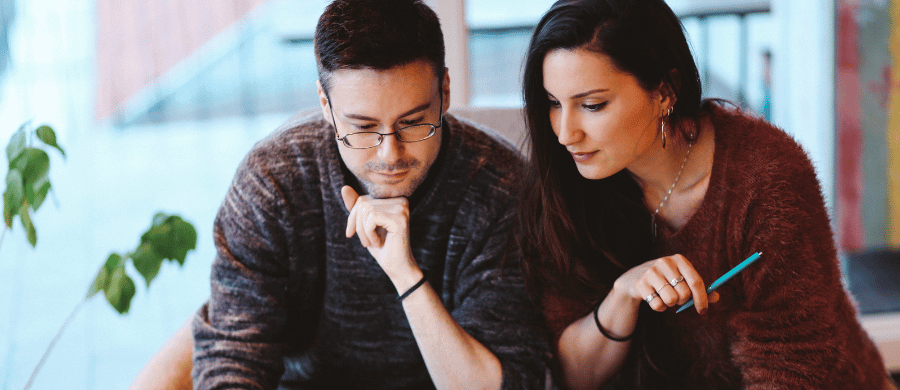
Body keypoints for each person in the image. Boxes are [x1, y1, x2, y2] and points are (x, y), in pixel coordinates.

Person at [127, 1, 553, 389]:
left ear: (444, 92)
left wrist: (406, 276)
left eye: (412, 122)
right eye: (363, 128)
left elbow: (511, 381)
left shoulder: (502, 189)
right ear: (325, 105)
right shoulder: (273, 182)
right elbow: (233, 360)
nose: (391, 154)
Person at [516, 0, 895, 389]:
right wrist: (622, 295)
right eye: (553, 103)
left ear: (664, 92)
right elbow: (572, 377)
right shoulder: (563, 184)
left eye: (592, 105)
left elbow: (794, 369)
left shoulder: (765, 177)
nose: (565, 134)